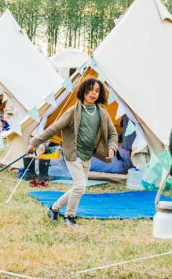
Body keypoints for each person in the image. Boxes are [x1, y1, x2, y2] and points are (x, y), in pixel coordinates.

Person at [26, 78, 117, 227]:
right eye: (90, 90)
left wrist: (112, 147)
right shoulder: (73, 111)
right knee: (80, 186)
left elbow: (113, 134)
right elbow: (54, 128)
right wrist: (35, 143)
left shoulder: (102, 112)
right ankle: (69, 216)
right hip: (73, 154)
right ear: (83, 91)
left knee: (79, 189)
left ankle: (53, 209)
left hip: (88, 156)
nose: (93, 94)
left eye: (97, 91)